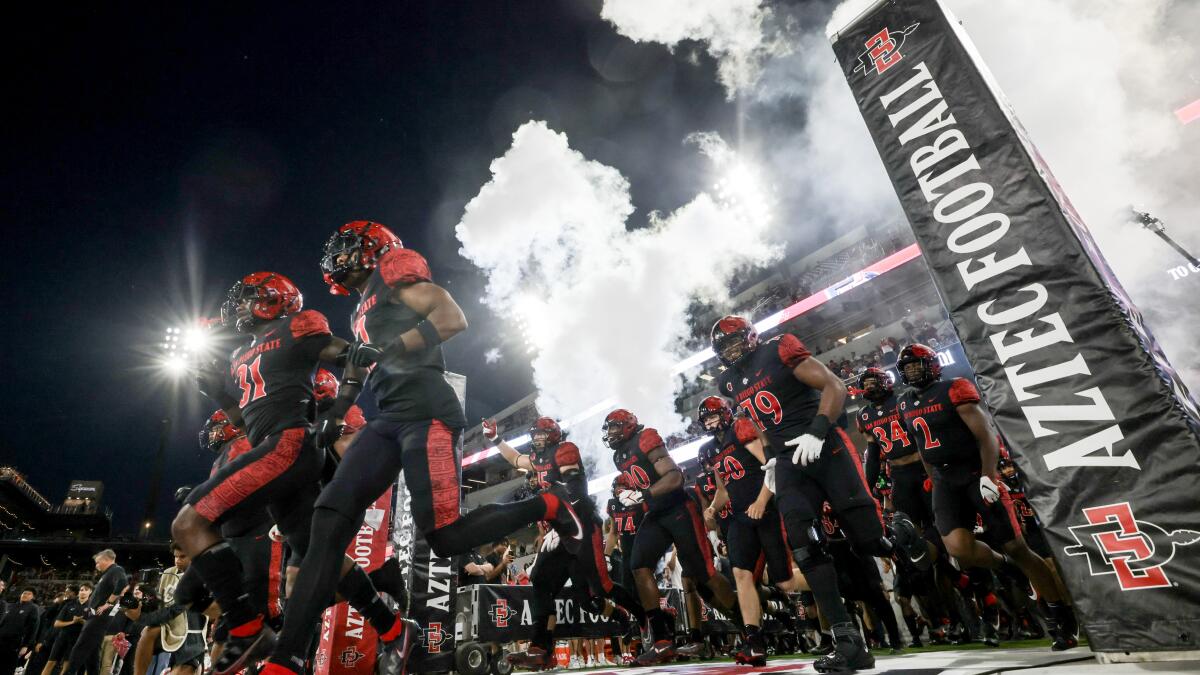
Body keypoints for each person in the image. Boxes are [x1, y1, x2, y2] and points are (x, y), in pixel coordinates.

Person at [261, 221, 581, 675]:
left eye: (348, 247)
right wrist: (337, 412)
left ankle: (544, 504)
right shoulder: (360, 309)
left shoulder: (393, 271)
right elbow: (359, 366)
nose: (339, 256)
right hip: (388, 418)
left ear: (372, 249)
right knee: (327, 523)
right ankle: (287, 660)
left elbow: (451, 318)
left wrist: (391, 348)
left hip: (428, 412)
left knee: (445, 536)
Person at [176, 271, 396, 675]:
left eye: (247, 298)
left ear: (272, 298)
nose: (239, 306)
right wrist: (218, 393)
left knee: (189, 524)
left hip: (289, 443)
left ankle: (246, 627)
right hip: (272, 444)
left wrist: (337, 407)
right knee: (317, 554)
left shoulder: (297, 325)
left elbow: (356, 355)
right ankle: (393, 627)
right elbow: (245, 421)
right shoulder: (242, 353)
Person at [711, 316, 923, 673]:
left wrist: (818, 429)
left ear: (749, 338)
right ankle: (848, 641)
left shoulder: (778, 349)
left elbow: (835, 386)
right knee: (805, 545)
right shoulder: (729, 381)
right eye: (724, 346)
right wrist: (772, 458)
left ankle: (899, 536)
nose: (731, 350)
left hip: (826, 448)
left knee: (867, 541)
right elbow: (762, 421)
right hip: (790, 462)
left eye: (735, 342)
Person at [894, 344, 1078, 650]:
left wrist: (988, 475)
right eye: (908, 367)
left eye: (917, 365)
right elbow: (921, 445)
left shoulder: (954, 389)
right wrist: (932, 479)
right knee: (959, 550)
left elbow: (985, 436)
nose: (913, 371)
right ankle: (1005, 567)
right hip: (944, 480)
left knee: (1018, 547)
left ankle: (1062, 617)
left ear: (932, 364)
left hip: (973, 473)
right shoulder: (904, 403)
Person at [487, 416, 644, 670]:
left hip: (580, 525)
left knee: (600, 587)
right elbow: (516, 459)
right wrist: (495, 439)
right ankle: (541, 648)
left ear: (554, 435)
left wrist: (561, 520)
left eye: (542, 433)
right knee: (541, 582)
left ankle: (641, 617)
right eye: (535, 433)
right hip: (560, 530)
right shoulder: (537, 460)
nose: (537, 438)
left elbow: (575, 491)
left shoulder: (564, 450)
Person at [604, 408, 738, 665]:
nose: (610, 434)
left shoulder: (646, 438)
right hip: (656, 512)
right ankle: (662, 640)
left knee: (703, 573)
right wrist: (628, 495)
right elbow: (640, 483)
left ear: (628, 426)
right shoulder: (619, 455)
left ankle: (747, 625)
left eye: (614, 427)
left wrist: (642, 495)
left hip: (679, 508)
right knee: (638, 565)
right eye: (608, 429)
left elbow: (675, 477)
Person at [695, 396, 806, 667]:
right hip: (739, 517)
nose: (710, 421)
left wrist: (761, 501)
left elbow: (773, 467)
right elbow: (723, 490)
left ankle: (828, 580)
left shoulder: (741, 428)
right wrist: (711, 509)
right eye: (705, 418)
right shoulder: (709, 450)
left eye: (713, 415)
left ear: (725, 413)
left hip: (766, 511)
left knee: (785, 583)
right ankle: (754, 642)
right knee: (741, 574)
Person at [63, 551, 126, 675]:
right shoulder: (108, 574)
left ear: (107, 559)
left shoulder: (116, 570)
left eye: (98, 562)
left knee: (80, 647)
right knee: (92, 654)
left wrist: (108, 603)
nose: (96, 565)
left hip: (100, 617)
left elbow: (122, 584)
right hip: (95, 616)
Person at [41, 585, 90, 675]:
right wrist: (73, 622)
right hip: (62, 637)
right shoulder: (69, 604)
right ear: (78, 592)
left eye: (86, 590)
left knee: (67, 666)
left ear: (90, 592)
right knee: (50, 662)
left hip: (77, 639)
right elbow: (57, 624)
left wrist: (82, 621)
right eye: (81, 590)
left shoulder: (91, 607)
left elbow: (92, 626)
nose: (83, 591)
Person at [0, 588, 40, 675]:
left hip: (15, 643)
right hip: (1, 639)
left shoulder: (33, 608)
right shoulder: (11, 606)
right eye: (24, 593)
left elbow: (33, 628)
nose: (25, 595)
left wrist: (26, 645)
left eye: (28, 594)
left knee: (8, 667)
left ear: (33, 597)